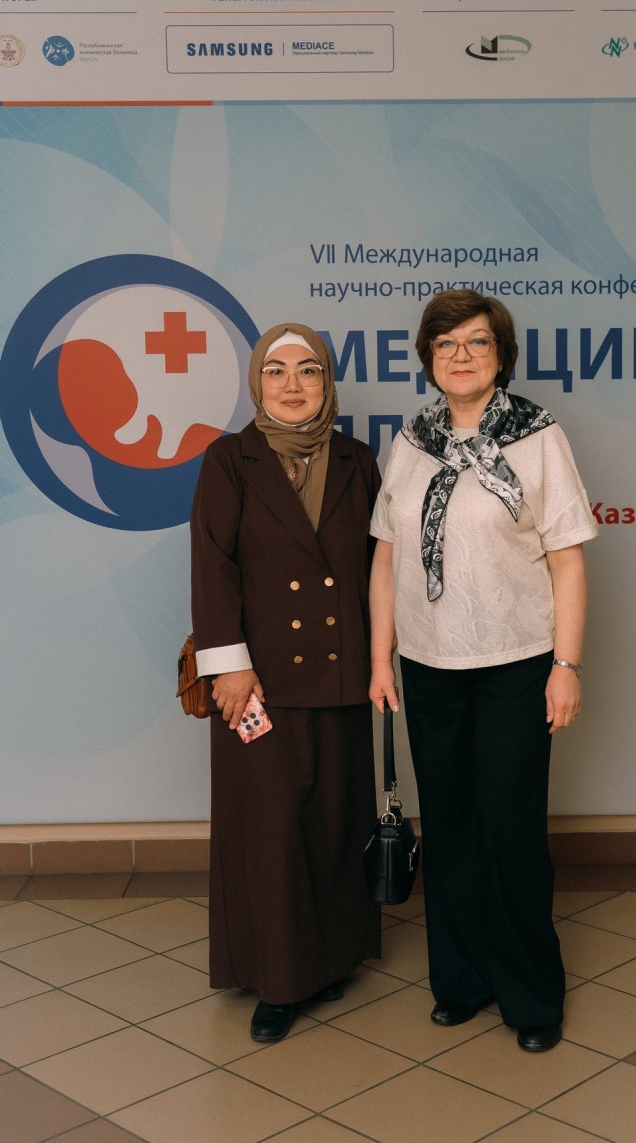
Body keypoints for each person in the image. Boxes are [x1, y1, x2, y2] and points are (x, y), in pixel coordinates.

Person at [369, 290, 598, 1053]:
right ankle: (461, 980)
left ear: (501, 356)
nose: (460, 356)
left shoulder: (537, 436)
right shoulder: (412, 440)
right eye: (445, 344)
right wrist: (380, 657)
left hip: (516, 663)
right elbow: (386, 557)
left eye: (476, 342)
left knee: (510, 828)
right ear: (428, 359)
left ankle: (531, 995)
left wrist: (566, 664)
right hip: (428, 663)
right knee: (450, 825)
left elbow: (567, 562)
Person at [190, 322, 381, 1044]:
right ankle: (276, 980)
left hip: (341, 671)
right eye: (277, 371)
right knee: (269, 830)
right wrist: (228, 665)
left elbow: (379, 568)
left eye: (308, 370)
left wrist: (382, 658)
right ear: (257, 383)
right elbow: (213, 564)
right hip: (257, 679)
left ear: (327, 382)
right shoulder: (229, 459)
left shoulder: (359, 460)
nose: (293, 384)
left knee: (334, 821)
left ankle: (328, 960)